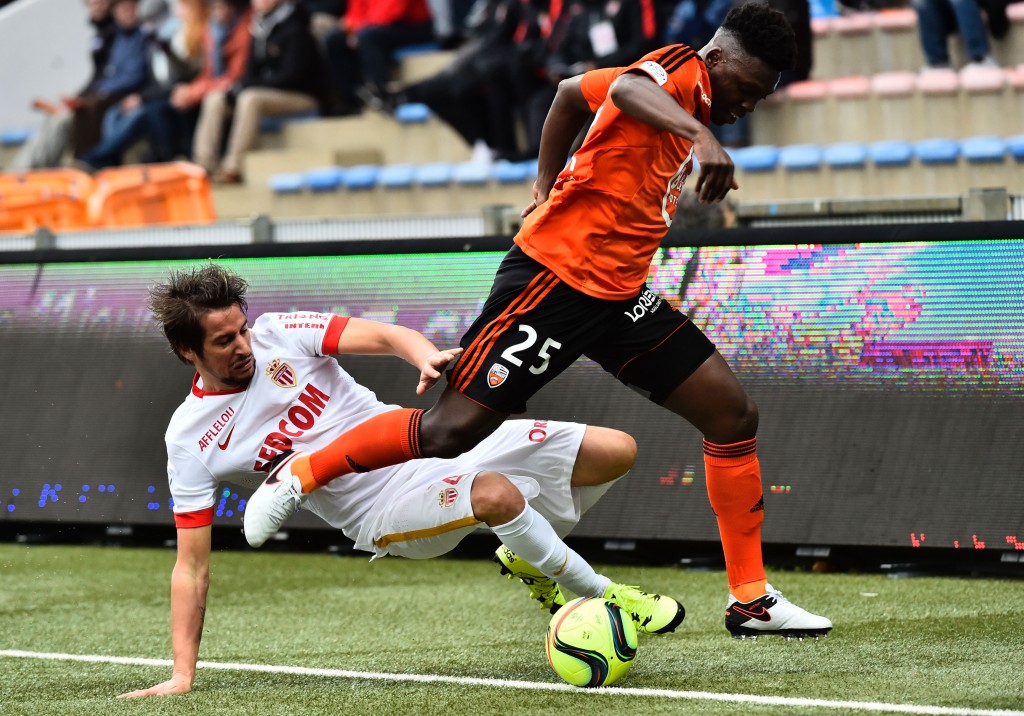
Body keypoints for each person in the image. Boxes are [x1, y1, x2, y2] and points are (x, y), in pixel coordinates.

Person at [245, 1, 832, 640]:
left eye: (760, 98)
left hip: (619, 295)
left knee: (731, 414)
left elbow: (568, 95)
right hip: (552, 280)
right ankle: (304, 472)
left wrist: (546, 180)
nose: (746, 105)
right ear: (717, 60)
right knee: (450, 431)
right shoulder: (678, 71)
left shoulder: (698, 94)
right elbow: (629, 87)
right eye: (745, 90)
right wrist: (702, 137)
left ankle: (751, 600)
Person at [118, 263, 685, 698]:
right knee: (495, 494)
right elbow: (191, 565)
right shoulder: (189, 439)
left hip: (422, 443)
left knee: (615, 450)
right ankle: (603, 593)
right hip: (382, 511)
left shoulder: (278, 333)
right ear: (186, 350)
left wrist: (424, 356)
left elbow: (387, 335)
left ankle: (525, 555)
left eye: (241, 330)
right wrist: (181, 674)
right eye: (224, 341)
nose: (243, 347)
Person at [192, 0, 331, 183]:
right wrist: (237, 88)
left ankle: (233, 166)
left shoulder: (296, 26)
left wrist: (251, 86)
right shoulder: (258, 27)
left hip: (302, 96)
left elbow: (292, 76)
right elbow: (250, 71)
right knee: (216, 98)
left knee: (250, 98)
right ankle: (204, 164)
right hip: (268, 92)